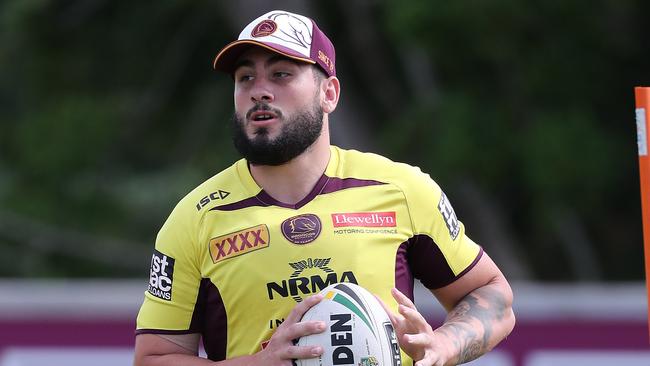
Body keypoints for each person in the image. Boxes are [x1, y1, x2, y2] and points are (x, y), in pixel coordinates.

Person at [134, 9, 515, 366]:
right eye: (245, 77)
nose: (259, 91)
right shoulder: (194, 218)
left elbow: (493, 296)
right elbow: (152, 358)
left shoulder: (402, 189)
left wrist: (444, 345)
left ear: (329, 93)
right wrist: (258, 364)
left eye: (281, 74)